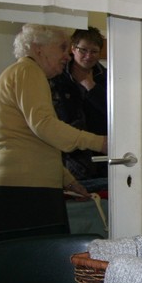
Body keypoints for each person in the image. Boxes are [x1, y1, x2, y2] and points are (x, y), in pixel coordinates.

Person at [0, 24, 107, 232]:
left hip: (19, 180)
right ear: (38, 48)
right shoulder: (28, 71)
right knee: (43, 248)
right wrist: (100, 142)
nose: (67, 56)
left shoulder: (21, 72)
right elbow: (44, 126)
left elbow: (35, 138)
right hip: (26, 186)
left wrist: (68, 180)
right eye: (62, 48)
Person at [50, 26, 109, 188]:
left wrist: (91, 87)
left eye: (94, 51)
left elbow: (114, 113)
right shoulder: (57, 77)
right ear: (73, 48)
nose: (88, 56)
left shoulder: (107, 78)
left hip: (101, 154)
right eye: (83, 50)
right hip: (69, 156)